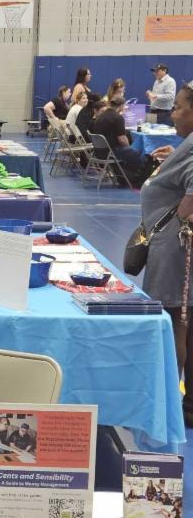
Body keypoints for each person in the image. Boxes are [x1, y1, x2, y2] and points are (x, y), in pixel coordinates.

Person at [140, 86, 193, 424]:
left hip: (176, 248)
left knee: (174, 320)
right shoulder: (186, 145)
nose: (172, 113)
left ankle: (173, 403)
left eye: (177, 107)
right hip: (172, 244)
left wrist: (182, 215)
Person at [91, 95, 143, 184]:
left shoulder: (100, 116)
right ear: (122, 106)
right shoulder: (118, 118)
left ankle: (123, 176)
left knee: (130, 152)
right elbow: (122, 140)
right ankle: (132, 179)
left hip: (97, 151)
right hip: (111, 151)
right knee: (138, 154)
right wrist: (130, 148)